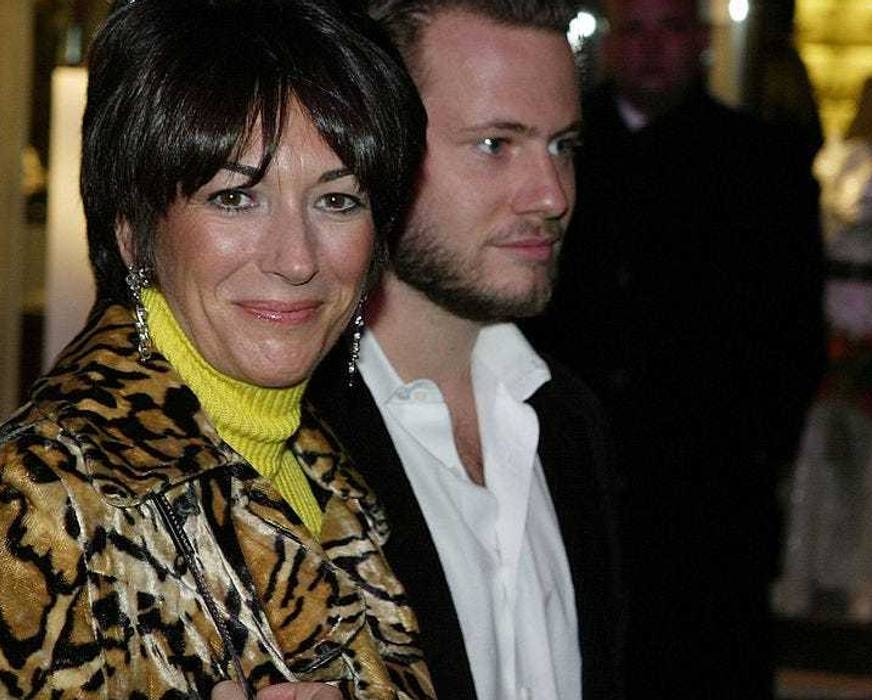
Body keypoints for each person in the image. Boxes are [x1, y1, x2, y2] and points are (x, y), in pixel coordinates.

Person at [0, 0, 432, 697]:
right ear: (132, 231)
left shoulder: (326, 470)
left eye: (337, 201)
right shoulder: (45, 498)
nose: (297, 259)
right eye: (235, 198)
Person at [308, 2, 624, 698]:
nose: (550, 195)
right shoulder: (287, 437)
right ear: (373, 144)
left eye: (562, 146)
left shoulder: (567, 422)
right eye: (494, 145)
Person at [531, 0, 826, 696]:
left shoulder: (762, 158)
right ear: (607, 43)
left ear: (697, 40)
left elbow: (794, 329)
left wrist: (759, 447)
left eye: (668, 29)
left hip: (711, 483)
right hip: (573, 468)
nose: (650, 48)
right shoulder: (558, 149)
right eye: (634, 30)